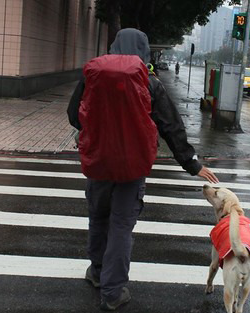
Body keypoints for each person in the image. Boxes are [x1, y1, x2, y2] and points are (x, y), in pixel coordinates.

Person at [67, 28, 219, 311]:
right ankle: (113, 292)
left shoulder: (92, 75)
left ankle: (98, 273)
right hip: (132, 167)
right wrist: (191, 164)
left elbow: (74, 115)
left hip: (98, 164)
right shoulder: (149, 83)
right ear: (145, 51)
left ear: (113, 46)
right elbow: (171, 127)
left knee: (98, 219)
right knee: (121, 226)